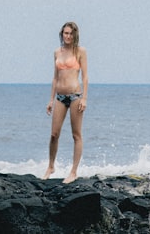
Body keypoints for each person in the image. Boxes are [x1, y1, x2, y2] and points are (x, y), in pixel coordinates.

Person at [43, 21, 88, 183]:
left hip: (76, 96)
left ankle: (73, 172)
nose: (67, 36)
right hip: (60, 98)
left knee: (76, 135)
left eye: (70, 33)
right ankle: (50, 166)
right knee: (54, 134)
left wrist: (84, 98)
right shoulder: (57, 52)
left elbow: (85, 77)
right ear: (62, 34)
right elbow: (55, 78)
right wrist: (50, 100)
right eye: (65, 33)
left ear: (75, 35)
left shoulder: (80, 51)